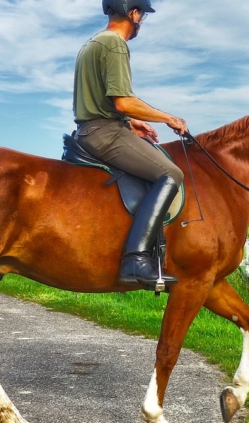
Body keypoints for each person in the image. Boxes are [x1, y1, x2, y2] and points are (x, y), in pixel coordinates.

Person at [73, 0, 188, 288]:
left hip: (93, 127)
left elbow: (104, 102)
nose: (141, 23)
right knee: (171, 173)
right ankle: (135, 259)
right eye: (142, 16)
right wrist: (168, 118)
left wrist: (130, 122)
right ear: (133, 13)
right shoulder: (115, 44)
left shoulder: (92, 43)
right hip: (105, 134)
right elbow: (122, 100)